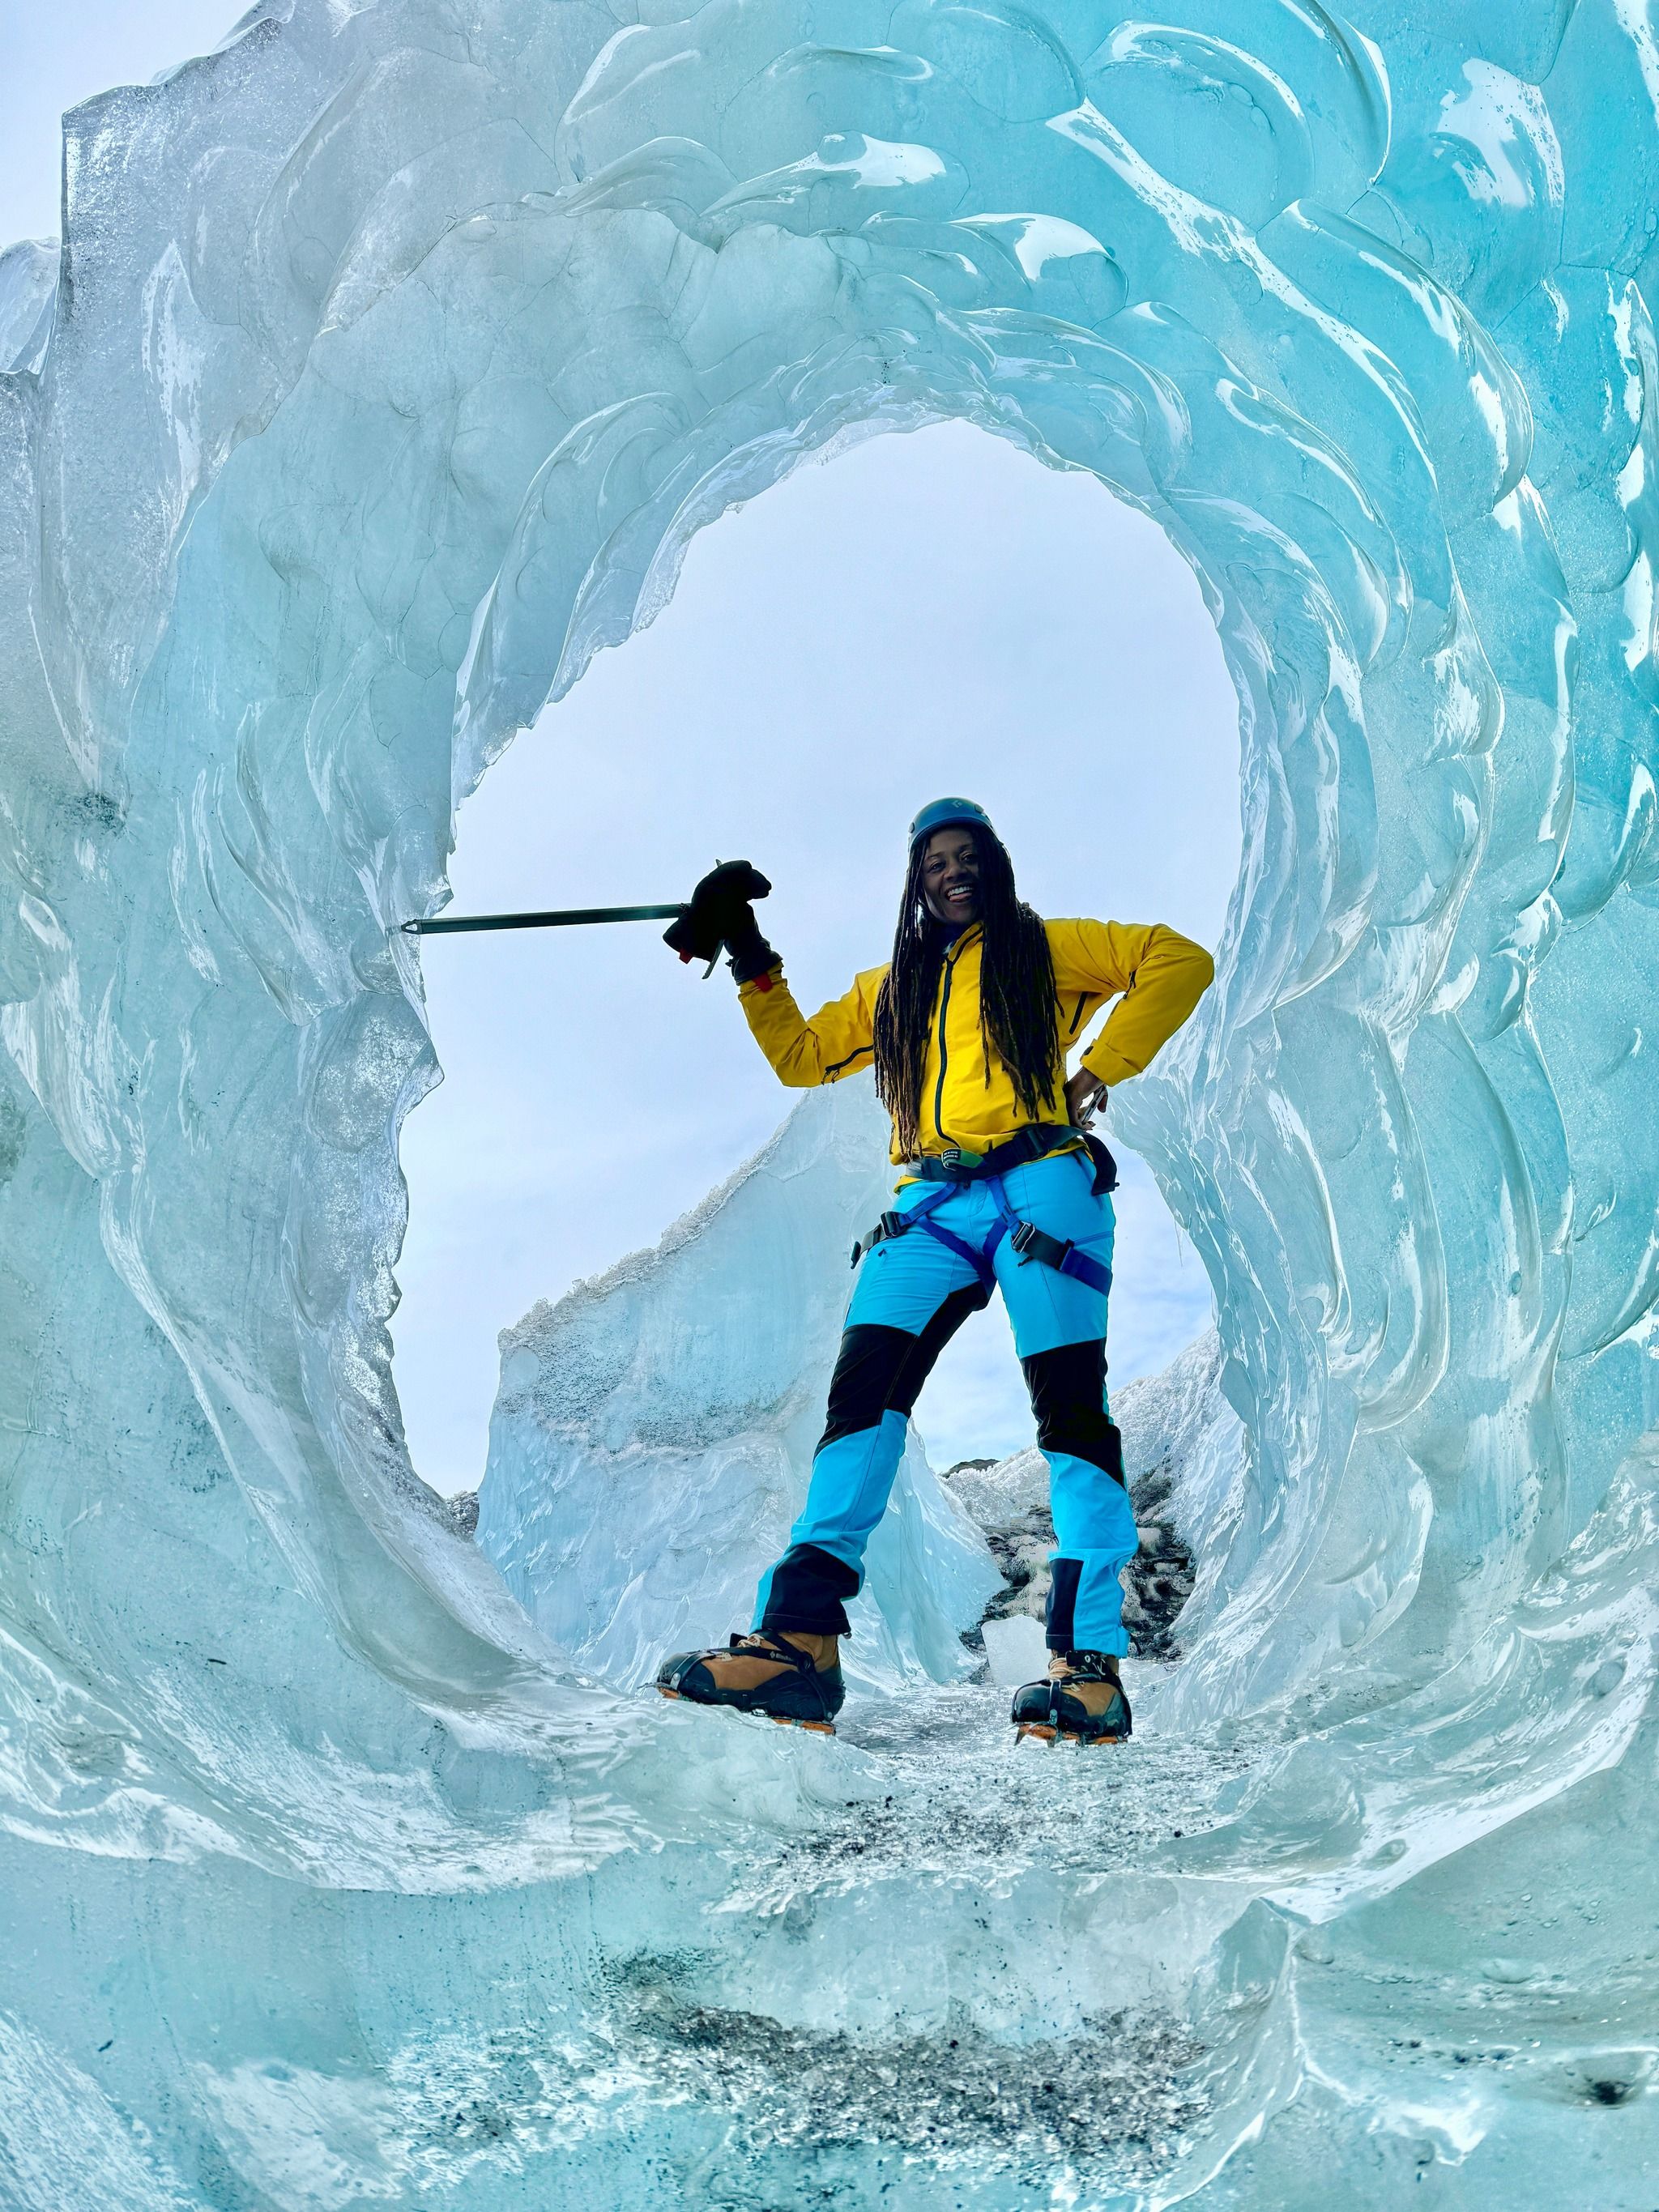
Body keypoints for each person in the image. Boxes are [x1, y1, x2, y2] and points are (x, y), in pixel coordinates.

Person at [655, 799, 1213, 1745]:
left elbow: (1176, 958)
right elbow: (800, 1056)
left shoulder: (1047, 949)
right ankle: (797, 1645)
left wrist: (1102, 1067)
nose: (951, 871)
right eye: (934, 862)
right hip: (928, 1204)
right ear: (917, 882)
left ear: (991, 863)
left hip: (1043, 1190)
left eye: (966, 856)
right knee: (859, 1401)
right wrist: (746, 949)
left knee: (1070, 1414)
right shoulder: (892, 989)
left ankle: (1087, 1668)